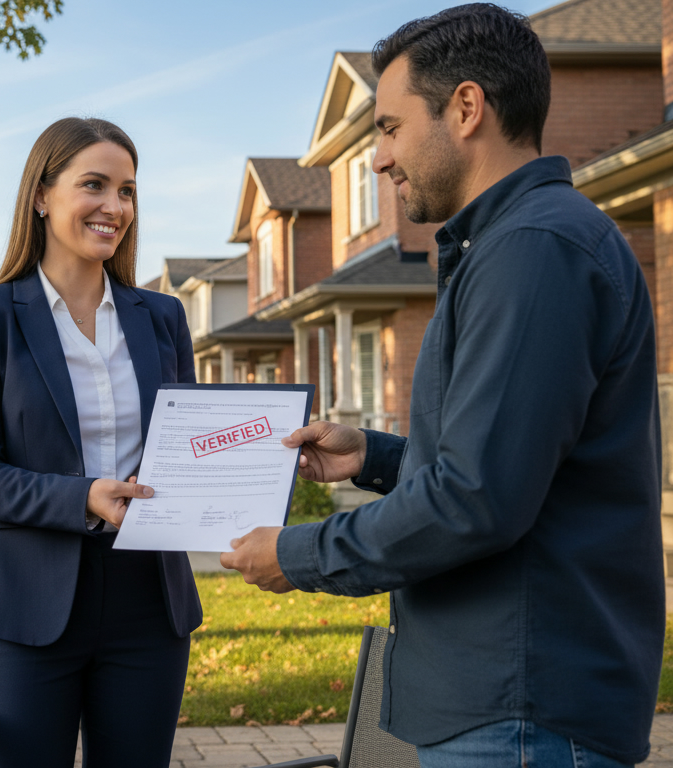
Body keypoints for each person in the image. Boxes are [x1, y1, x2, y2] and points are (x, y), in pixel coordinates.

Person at [220, 5, 663, 766]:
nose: (381, 160)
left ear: (465, 108)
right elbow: (510, 461)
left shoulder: (533, 250)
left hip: (521, 707)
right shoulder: (514, 244)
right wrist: (374, 455)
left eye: (389, 129)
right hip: (502, 701)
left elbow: (475, 499)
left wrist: (297, 556)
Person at [0, 117, 201, 768]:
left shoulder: (163, 317)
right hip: (23, 602)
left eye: (129, 191)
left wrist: (251, 459)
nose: (115, 207)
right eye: (95, 185)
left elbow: (189, 445)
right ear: (40, 195)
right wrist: (83, 497)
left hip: (150, 601)